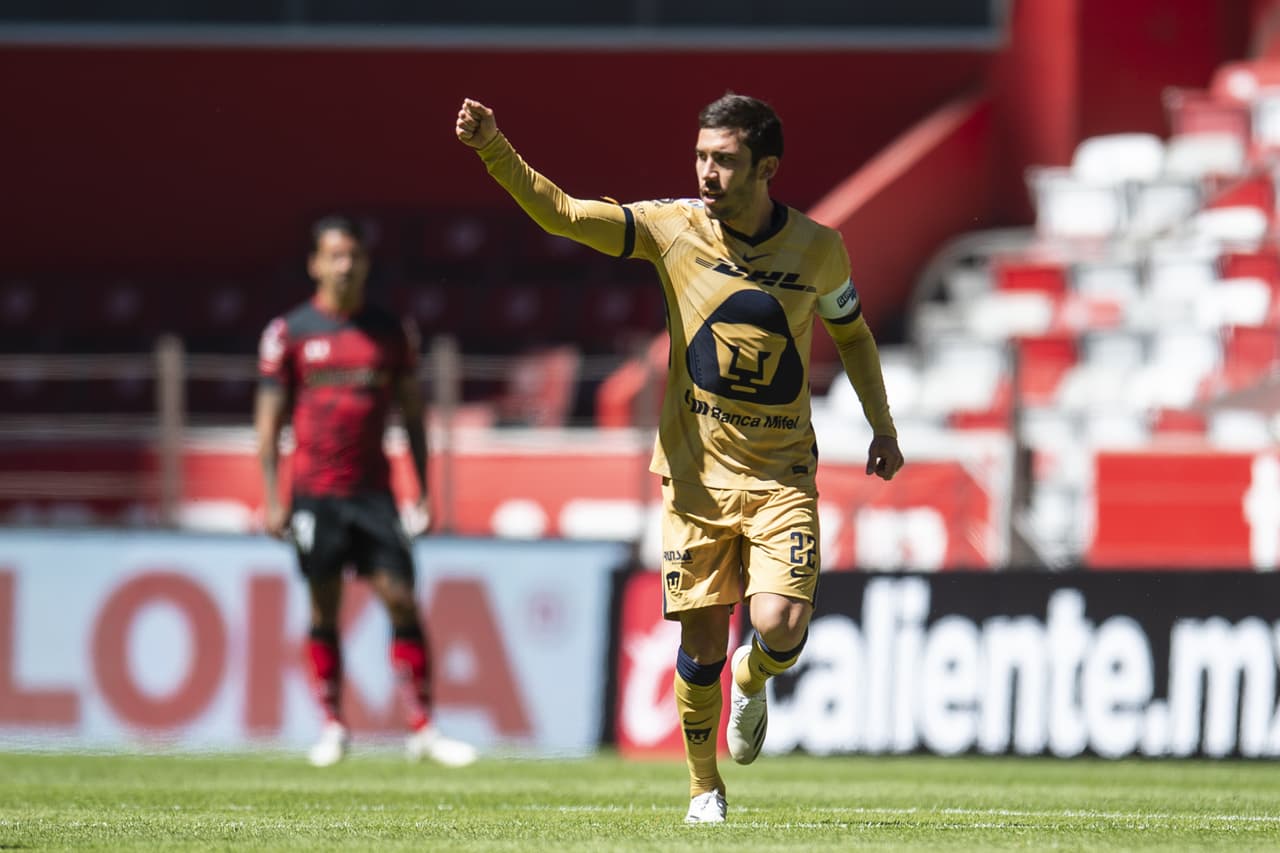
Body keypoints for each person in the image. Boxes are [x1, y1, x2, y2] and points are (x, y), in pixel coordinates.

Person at [456, 94, 903, 823]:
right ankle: (705, 787)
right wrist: (493, 148)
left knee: (782, 624)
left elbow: (851, 334)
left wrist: (881, 426)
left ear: (767, 168)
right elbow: (564, 214)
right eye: (700, 156)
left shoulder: (821, 250)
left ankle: (753, 677)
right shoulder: (673, 229)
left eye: (723, 160)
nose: (706, 172)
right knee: (700, 641)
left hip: (781, 474)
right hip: (694, 479)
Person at [254, 215, 476, 769]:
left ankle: (423, 728)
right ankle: (332, 726)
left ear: (365, 262)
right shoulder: (290, 333)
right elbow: (268, 424)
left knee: (401, 600)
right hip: (315, 495)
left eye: (353, 255)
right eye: (334, 255)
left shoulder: (389, 333)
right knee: (324, 607)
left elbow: (414, 417)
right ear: (315, 263)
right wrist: (272, 497)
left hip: (375, 494)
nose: (345, 265)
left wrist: (423, 489)